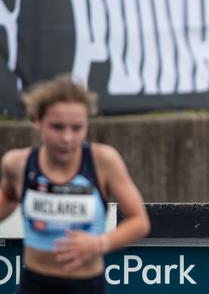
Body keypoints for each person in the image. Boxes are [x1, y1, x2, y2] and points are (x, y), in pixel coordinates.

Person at [0, 74, 150, 293]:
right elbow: (9, 197)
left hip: (86, 285)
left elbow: (140, 222)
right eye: (57, 127)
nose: (67, 138)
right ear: (37, 121)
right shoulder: (17, 163)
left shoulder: (104, 162)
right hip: (35, 284)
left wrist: (100, 244)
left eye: (77, 128)